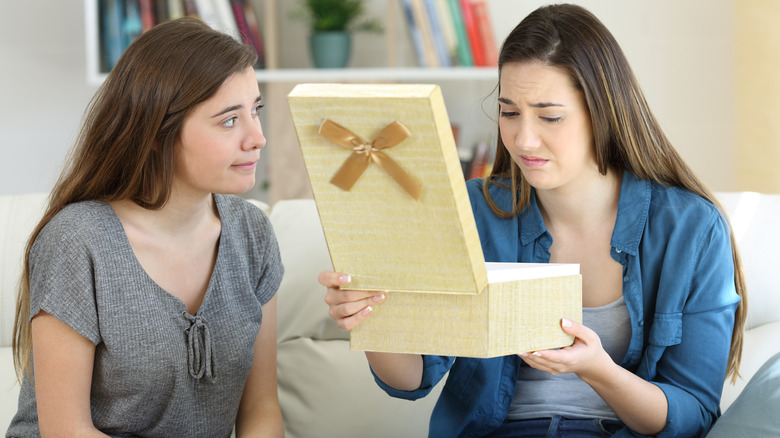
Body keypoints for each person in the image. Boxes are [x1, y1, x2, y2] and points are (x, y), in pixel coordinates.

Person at [319, 4, 747, 437]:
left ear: (603, 112)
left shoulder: (692, 228)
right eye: (509, 112)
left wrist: (598, 369)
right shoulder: (474, 212)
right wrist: (369, 319)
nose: (524, 139)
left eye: (550, 116)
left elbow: (692, 414)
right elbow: (413, 379)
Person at [7, 18, 284, 438]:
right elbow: (67, 431)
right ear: (156, 131)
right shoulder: (78, 242)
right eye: (229, 120)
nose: (257, 137)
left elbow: (261, 410)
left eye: (255, 111)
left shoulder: (252, 234)